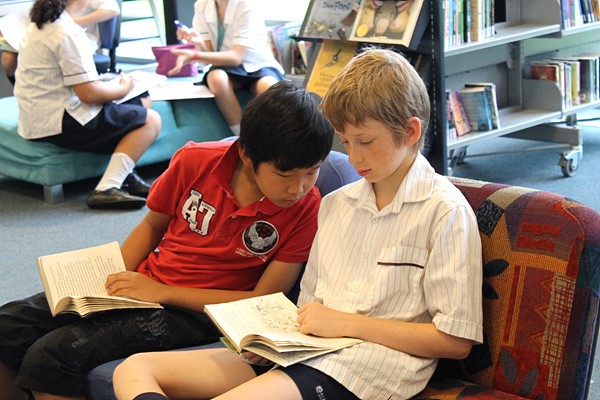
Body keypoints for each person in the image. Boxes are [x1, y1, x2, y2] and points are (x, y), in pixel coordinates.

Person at [112, 48, 484, 400]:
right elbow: (308, 307)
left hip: (368, 365)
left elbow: (455, 341)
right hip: (305, 351)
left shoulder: (444, 211)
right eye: (345, 142)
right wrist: (272, 339)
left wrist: (345, 324)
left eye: (364, 141)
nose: (353, 157)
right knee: (134, 370)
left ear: (411, 132)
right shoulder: (336, 204)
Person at [0, 78, 334, 400]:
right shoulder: (195, 161)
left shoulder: (307, 207)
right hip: (147, 284)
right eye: (284, 174)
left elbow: (261, 299)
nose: (298, 188)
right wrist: (108, 283)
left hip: (199, 314)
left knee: (53, 355)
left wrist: (163, 293)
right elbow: (152, 225)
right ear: (247, 155)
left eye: (312, 171)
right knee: (7, 325)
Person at [13, 0, 161, 209]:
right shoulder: (66, 32)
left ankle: (125, 174)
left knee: (141, 100)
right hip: (60, 121)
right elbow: (89, 94)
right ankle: (106, 188)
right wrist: (123, 88)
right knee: (151, 120)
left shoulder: (40, 25)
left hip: (38, 117)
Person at [169, 0, 285, 136]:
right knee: (217, 79)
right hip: (226, 66)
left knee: (271, 88)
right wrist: (198, 43)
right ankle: (241, 137)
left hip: (257, 64)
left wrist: (195, 55)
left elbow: (236, 57)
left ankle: (283, 139)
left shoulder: (247, 4)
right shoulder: (202, 5)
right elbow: (209, 56)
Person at [0, 0, 120, 86]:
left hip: (72, 32)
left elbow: (112, 9)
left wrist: (74, 23)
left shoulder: (68, 34)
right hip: (46, 29)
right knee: (8, 57)